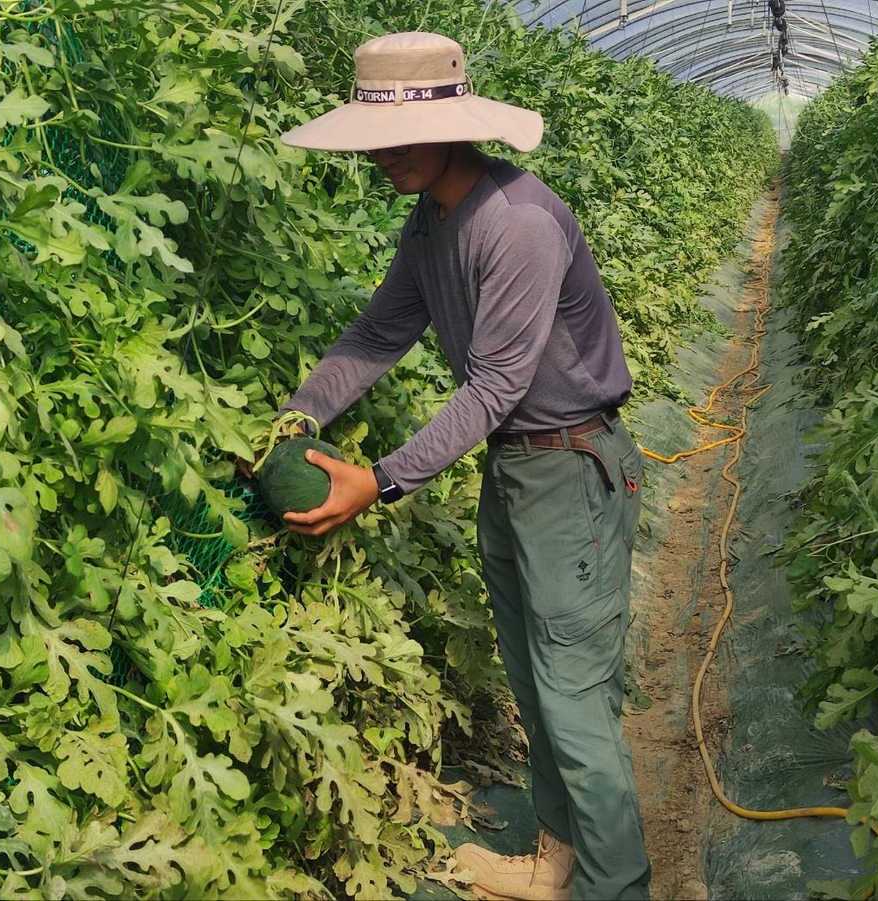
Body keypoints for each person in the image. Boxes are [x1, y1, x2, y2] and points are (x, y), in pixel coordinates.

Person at [274, 31, 652, 901]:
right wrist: (300, 412)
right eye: (374, 135)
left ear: (455, 125)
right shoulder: (432, 221)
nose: (383, 152)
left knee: (576, 701)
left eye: (401, 131)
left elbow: (492, 386)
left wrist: (379, 480)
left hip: (570, 473)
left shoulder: (514, 222)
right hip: (517, 474)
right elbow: (378, 333)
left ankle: (617, 886)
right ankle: (560, 858)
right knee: (535, 678)